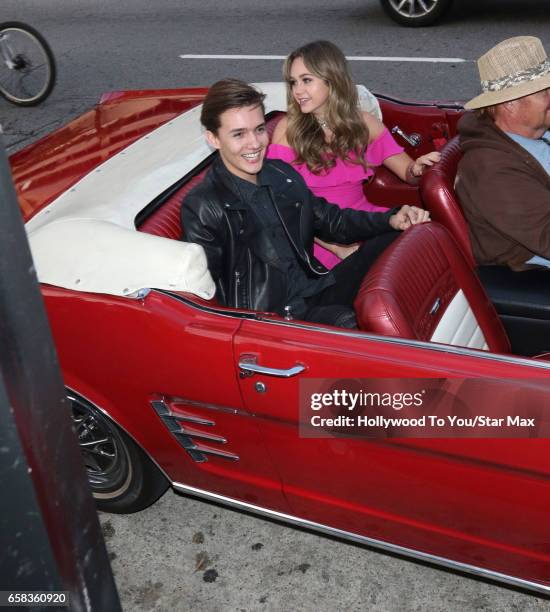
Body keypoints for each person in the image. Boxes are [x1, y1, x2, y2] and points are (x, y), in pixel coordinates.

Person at [181, 79, 430, 328]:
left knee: (403, 237)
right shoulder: (203, 206)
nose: (255, 144)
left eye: (258, 130)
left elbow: (332, 221)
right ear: (213, 138)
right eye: (238, 134)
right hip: (277, 318)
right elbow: (208, 297)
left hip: (316, 288)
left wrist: (392, 219)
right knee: (346, 322)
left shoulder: (279, 173)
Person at [268, 40, 440, 269]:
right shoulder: (288, 131)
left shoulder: (364, 124)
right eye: (293, 82)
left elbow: (409, 174)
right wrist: (337, 248)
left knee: (425, 245)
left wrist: (419, 168)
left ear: (332, 79)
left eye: (306, 80)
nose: (297, 91)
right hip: (317, 238)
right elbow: (280, 206)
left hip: (365, 223)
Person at [456, 36, 550, 271]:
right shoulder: (492, 169)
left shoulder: (535, 133)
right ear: (510, 103)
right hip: (534, 271)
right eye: (544, 92)